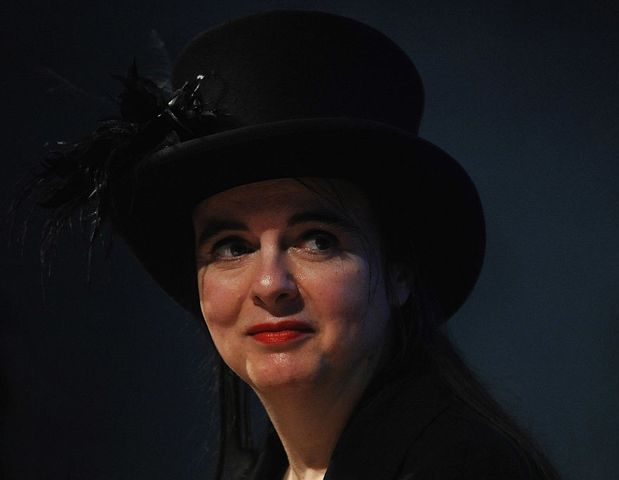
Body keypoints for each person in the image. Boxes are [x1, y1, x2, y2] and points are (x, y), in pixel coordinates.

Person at [27, 10, 559, 480]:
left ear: (399, 271)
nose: (269, 285)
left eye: (316, 241)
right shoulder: (272, 468)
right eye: (232, 247)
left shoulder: (461, 466)